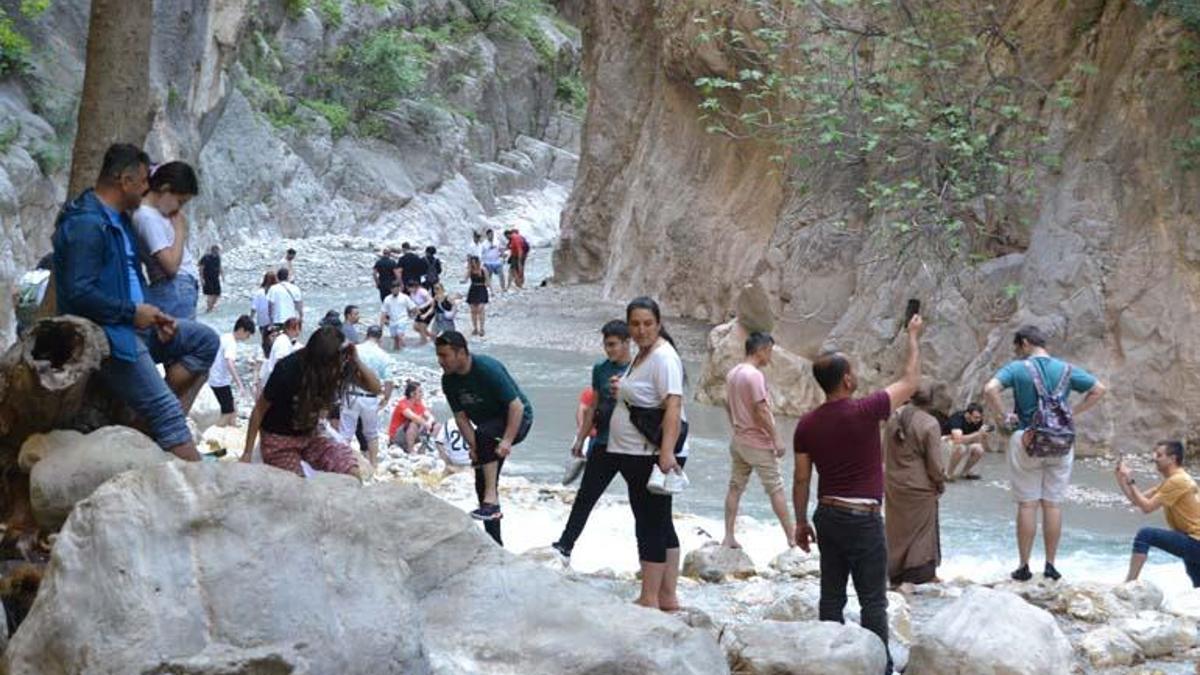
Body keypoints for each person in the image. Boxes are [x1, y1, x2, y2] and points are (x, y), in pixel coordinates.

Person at [51, 143, 219, 461]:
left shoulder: (120, 220)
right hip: (112, 335)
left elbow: (131, 279)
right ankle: (204, 491)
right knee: (169, 413)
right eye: (143, 182)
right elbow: (78, 294)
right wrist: (132, 312)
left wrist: (154, 315)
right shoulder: (88, 224)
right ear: (124, 181)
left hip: (136, 323)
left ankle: (139, 433)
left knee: (205, 341)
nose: (147, 188)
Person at [792, 313, 924, 674]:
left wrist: (800, 522)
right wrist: (912, 335)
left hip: (828, 515)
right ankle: (879, 667)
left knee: (831, 596)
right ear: (848, 378)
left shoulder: (806, 424)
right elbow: (911, 381)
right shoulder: (866, 410)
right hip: (863, 519)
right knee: (873, 602)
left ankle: (827, 662)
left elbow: (801, 479)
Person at [983, 324, 1107, 582]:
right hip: (1061, 442)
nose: (1018, 353)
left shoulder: (1017, 369)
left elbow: (990, 389)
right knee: (1052, 504)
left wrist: (1004, 415)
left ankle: (1024, 566)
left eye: (1018, 348)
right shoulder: (1067, 369)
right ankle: (1050, 565)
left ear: (1025, 343)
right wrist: (1074, 413)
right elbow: (1099, 389)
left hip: (1027, 438)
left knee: (1028, 504)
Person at [607, 297, 688, 610]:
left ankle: (649, 598)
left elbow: (674, 404)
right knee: (661, 521)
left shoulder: (663, 357)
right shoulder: (643, 355)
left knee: (649, 523)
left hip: (651, 454)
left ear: (658, 323)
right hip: (637, 453)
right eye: (635, 324)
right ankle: (667, 596)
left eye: (647, 324)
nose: (641, 330)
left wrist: (666, 453)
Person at [242, 326, 381, 478]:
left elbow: (374, 388)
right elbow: (259, 410)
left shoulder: (338, 365)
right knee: (296, 484)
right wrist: (247, 453)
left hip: (311, 435)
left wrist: (356, 359)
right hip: (279, 438)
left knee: (350, 469)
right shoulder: (288, 369)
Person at [436, 331, 533, 545]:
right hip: (488, 429)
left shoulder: (487, 368)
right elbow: (461, 418)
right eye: (439, 355)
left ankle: (491, 500)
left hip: (518, 420)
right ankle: (494, 539)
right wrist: (475, 448)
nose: (440, 361)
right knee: (481, 475)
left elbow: (516, 407)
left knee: (485, 435)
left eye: (444, 355)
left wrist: (507, 440)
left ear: (461, 353)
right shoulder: (449, 381)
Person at [551, 320, 632, 564]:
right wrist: (581, 438)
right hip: (603, 442)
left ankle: (648, 557)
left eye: (613, 345)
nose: (609, 350)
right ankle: (565, 545)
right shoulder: (601, 369)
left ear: (627, 343)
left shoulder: (640, 369)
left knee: (641, 502)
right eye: (606, 345)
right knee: (585, 496)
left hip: (632, 446)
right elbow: (593, 406)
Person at [722, 331, 794, 551]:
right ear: (761, 350)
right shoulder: (754, 376)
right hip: (758, 442)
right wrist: (777, 439)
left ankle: (728, 537)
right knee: (776, 488)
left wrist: (736, 425)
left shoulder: (733, 373)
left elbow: (726, 402)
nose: (770, 357)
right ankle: (792, 538)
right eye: (769, 351)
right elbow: (761, 410)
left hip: (739, 440)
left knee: (735, 487)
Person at [884, 383, 946, 588]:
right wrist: (940, 482)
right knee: (921, 532)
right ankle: (918, 574)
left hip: (893, 483)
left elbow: (883, 452)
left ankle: (894, 573)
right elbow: (935, 465)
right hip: (920, 486)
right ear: (931, 401)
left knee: (896, 530)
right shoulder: (930, 424)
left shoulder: (893, 418)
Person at [1115, 441, 1200, 586]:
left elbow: (1147, 508)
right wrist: (1122, 479)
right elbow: (1137, 500)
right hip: (1191, 539)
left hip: (1195, 540)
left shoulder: (1178, 481)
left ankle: (1129, 583)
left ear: (1172, 458)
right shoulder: (1171, 480)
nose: (1155, 458)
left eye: (1159, 455)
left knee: (1145, 534)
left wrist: (1130, 480)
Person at [132, 161, 201, 320]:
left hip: (177, 288)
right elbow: (170, 266)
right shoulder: (146, 217)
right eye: (180, 201)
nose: (179, 208)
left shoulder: (154, 214)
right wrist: (180, 231)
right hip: (173, 287)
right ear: (165, 189)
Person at [338, 325, 393, 466]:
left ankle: (343, 462)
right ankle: (373, 464)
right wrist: (386, 399)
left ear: (366, 335)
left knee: (346, 433)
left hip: (351, 394)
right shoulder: (384, 355)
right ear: (380, 338)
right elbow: (388, 381)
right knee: (372, 434)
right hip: (370, 397)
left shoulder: (356, 349)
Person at [209, 315, 255, 427]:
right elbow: (230, 363)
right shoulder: (232, 343)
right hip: (220, 381)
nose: (247, 338)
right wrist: (240, 384)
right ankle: (216, 431)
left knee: (233, 408)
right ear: (242, 330)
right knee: (228, 411)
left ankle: (233, 428)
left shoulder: (225, 337)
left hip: (213, 378)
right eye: (248, 334)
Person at [941, 403, 989, 480]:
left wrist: (983, 436)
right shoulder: (957, 418)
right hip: (944, 441)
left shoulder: (977, 421)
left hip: (961, 441)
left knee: (979, 449)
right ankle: (948, 474)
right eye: (976, 417)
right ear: (967, 414)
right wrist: (977, 434)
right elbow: (958, 440)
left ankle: (964, 472)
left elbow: (979, 442)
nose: (978, 420)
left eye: (979, 417)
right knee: (961, 448)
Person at [388, 381, 440, 452]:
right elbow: (414, 417)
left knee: (437, 426)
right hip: (397, 437)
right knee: (414, 423)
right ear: (412, 394)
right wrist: (425, 424)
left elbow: (430, 416)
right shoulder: (402, 404)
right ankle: (411, 450)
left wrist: (429, 422)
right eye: (420, 392)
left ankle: (424, 448)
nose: (422, 394)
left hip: (410, 434)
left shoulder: (418, 404)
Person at [258, 317, 300, 396]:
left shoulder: (284, 340)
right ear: (287, 329)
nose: (298, 332)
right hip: (278, 382)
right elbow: (281, 362)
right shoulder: (283, 341)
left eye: (298, 329)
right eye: (294, 329)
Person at [381, 282, 416, 351]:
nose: (395, 290)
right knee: (395, 340)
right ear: (391, 289)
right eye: (393, 289)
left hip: (402, 319)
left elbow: (413, 308)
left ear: (399, 288)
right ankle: (398, 354)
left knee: (400, 336)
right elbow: (383, 313)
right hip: (392, 321)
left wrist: (412, 316)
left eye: (396, 288)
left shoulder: (404, 297)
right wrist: (381, 328)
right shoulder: (387, 299)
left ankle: (407, 351)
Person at [465, 255, 489, 337]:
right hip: (473, 289)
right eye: (472, 263)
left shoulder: (483, 270)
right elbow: (465, 278)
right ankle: (475, 328)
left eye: (474, 262)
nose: (473, 264)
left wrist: (490, 290)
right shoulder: (470, 270)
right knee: (473, 310)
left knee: (480, 309)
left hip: (481, 289)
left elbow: (487, 280)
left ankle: (482, 328)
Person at [250, 271, 277, 344]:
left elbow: (253, 308)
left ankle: (267, 354)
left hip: (262, 321)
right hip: (275, 321)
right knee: (275, 341)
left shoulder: (259, 292)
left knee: (265, 342)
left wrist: (251, 319)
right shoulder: (277, 291)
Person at [197, 245, 222, 313]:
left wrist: (222, 275)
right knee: (210, 294)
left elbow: (219, 266)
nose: (217, 252)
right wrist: (201, 278)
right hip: (207, 278)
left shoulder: (218, 257)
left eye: (218, 251)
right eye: (216, 250)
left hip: (216, 278)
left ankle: (211, 307)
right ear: (212, 250)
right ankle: (209, 309)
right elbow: (201, 268)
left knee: (217, 294)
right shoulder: (206, 257)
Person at [409, 280, 435, 345]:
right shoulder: (412, 293)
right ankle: (433, 336)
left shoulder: (422, 291)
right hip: (420, 310)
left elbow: (431, 300)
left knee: (422, 327)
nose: (410, 290)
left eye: (411, 288)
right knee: (415, 327)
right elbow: (413, 303)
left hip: (428, 309)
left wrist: (422, 306)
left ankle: (423, 341)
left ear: (415, 287)